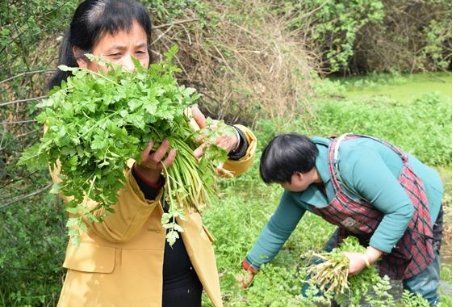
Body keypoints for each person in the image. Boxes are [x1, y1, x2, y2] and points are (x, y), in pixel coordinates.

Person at [48, 1, 257, 306]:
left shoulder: (160, 100)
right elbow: (108, 226)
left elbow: (217, 164)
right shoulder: (66, 125)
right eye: (116, 55)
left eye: (140, 52)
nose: (131, 67)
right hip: (114, 293)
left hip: (185, 283)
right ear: (82, 58)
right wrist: (145, 176)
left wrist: (232, 140)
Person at [238, 133, 444, 306]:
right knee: (321, 274)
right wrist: (250, 267)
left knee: (419, 288)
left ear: (298, 175)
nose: (282, 188)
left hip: (417, 204)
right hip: (369, 217)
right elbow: (278, 228)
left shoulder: (353, 161)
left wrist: (366, 258)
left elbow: (401, 209)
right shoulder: (299, 188)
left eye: (281, 182)